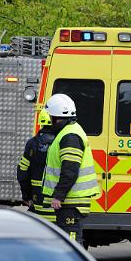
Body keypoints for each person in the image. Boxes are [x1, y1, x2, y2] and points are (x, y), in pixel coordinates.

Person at [40, 94, 100, 244]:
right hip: (70, 201)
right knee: (67, 242)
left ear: (56, 117)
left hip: (71, 202)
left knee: (71, 243)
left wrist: (58, 195)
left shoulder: (70, 136)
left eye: (51, 117)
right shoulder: (69, 132)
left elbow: (70, 170)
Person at [17, 110, 56, 222]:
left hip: (37, 198)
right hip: (59, 202)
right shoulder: (63, 142)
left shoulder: (32, 143)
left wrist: (26, 196)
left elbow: (22, 172)